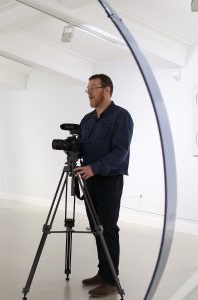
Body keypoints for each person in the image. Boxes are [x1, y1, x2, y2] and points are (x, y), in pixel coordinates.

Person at [73, 74, 133, 297]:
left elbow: (120, 151)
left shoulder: (121, 116)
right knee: (96, 230)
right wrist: (72, 150)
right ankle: (102, 272)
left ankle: (111, 280)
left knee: (108, 229)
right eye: (87, 88)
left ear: (107, 90)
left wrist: (95, 168)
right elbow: (83, 147)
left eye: (93, 88)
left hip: (109, 180)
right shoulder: (87, 120)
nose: (89, 92)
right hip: (89, 180)